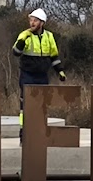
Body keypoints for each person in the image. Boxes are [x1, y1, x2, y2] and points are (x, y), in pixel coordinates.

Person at [12, 8, 64, 141]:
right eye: (30, 20)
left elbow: (54, 56)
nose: (32, 23)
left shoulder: (49, 36)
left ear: (42, 22)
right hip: (27, 75)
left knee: (42, 104)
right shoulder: (25, 35)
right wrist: (22, 39)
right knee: (26, 105)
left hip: (42, 75)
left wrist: (60, 71)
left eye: (35, 20)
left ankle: (39, 132)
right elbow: (16, 52)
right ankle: (24, 132)